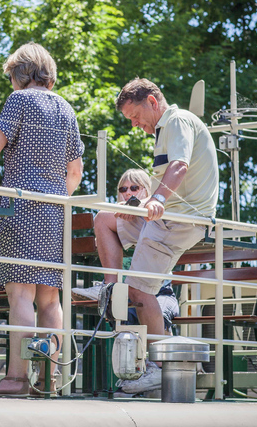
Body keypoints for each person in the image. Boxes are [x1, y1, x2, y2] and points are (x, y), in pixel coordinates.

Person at [0, 42, 84, 396]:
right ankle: (51, 382)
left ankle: (16, 380)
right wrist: (56, 198)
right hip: (55, 211)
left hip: (21, 208)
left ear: (20, 73)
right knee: (50, 300)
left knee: (19, 295)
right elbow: (75, 170)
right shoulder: (67, 109)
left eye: (11, 75)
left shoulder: (20, 101)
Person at [92, 78, 218, 395]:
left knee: (139, 289)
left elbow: (179, 166)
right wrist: (139, 207)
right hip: (165, 216)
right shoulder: (165, 129)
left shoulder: (176, 120)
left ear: (152, 101)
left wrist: (157, 200)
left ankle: (158, 369)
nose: (135, 125)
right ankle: (111, 288)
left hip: (179, 220)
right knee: (104, 217)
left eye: (135, 116)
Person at [72, 169, 179, 334]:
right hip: (129, 295)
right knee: (121, 315)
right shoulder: (113, 228)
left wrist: (138, 203)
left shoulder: (158, 220)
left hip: (161, 293)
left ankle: (159, 357)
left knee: (159, 313)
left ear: (147, 191)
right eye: (123, 189)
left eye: (134, 188)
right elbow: (106, 221)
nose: (128, 192)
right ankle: (109, 290)